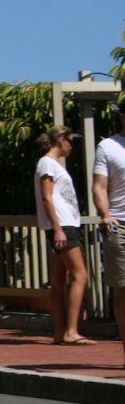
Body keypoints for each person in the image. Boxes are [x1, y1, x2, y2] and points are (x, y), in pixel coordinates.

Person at [34, 125, 94, 345]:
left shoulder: (52, 164)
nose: (71, 145)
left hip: (64, 224)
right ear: (60, 140)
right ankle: (71, 330)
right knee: (81, 275)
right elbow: (47, 197)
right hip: (63, 225)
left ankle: (60, 332)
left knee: (60, 278)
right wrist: (58, 228)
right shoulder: (47, 163)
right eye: (70, 141)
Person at [92, 102, 125, 366]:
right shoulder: (108, 147)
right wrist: (105, 214)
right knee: (123, 290)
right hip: (121, 225)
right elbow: (99, 187)